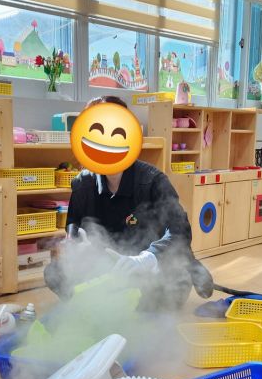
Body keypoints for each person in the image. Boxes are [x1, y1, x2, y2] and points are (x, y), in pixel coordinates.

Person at [44, 95, 214, 310]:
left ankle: (188, 267)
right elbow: (74, 226)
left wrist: (146, 259)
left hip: (150, 264)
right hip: (111, 265)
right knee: (55, 273)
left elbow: (180, 232)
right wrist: (75, 246)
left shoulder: (153, 181)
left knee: (152, 303)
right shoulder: (82, 184)